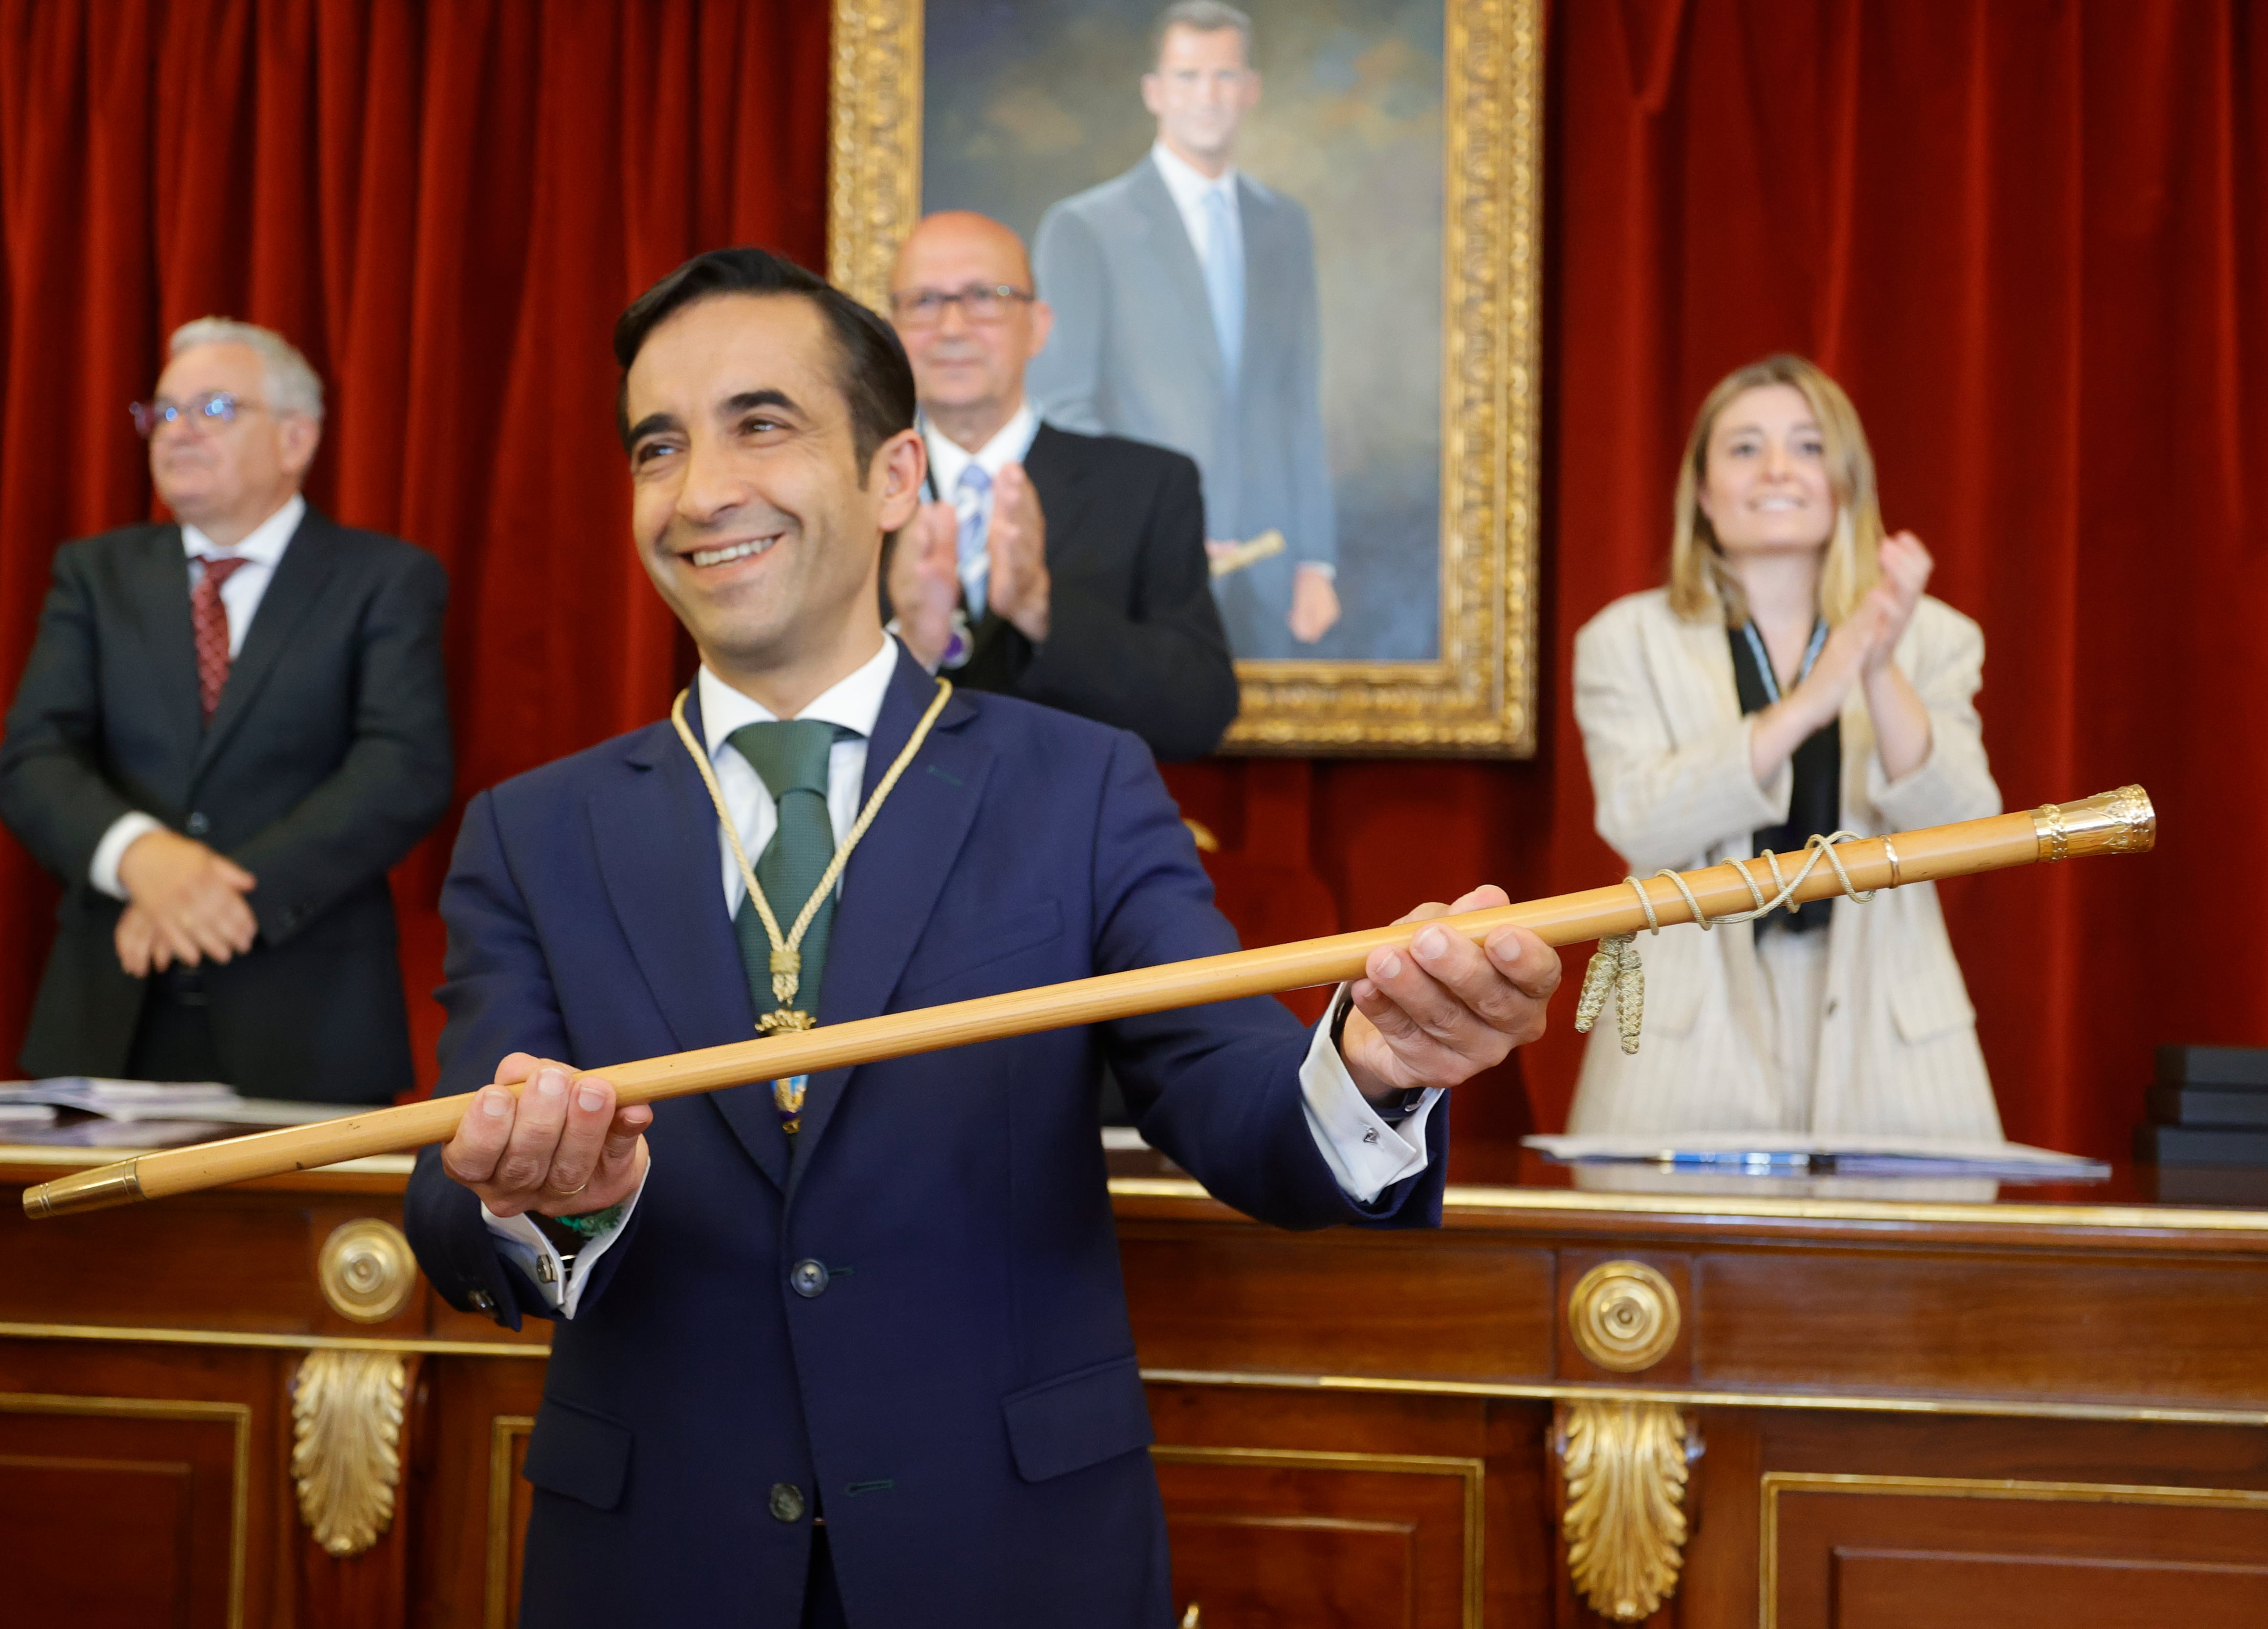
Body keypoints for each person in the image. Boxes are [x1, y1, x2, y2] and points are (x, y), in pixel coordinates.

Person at [400, 248, 1560, 1627]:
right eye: (661, 445)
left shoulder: (1076, 785)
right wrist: (544, 1192)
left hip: (1011, 1557)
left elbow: (1230, 1094)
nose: (703, 490)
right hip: (657, 1563)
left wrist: (1375, 1061)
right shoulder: (533, 830)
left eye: (760, 424)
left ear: (896, 477)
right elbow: (451, 1201)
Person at [0, 319, 451, 1102]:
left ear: (296, 438)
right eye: (164, 413)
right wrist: (143, 859)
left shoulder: (384, 578)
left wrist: (210, 894)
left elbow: (401, 768)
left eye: (213, 409)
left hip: (309, 1015)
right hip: (111, 1011)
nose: (178, 434)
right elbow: (33, 758)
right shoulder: (96, 575)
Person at [1569, 354, 2002, 1139]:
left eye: (1807, 446)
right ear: (1703, 492)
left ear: (1845, 481)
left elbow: (1969, 832)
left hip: (1889, 1023)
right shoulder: (1624, 641)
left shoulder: (1936, 635)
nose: (1777, 469)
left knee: (1898, 1266)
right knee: (1675, 1264)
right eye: (1743, 448)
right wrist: (1809, 703)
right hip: (1687, 1030)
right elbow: (1639, 824)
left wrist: (1875, 670)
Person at [1029, 0, 1341, 659]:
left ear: (1251, 90)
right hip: (1137, 567)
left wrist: (1317, 560)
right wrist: (1148, 522)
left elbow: (1296, 401)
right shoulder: (1086, 227)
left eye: (1225, 76)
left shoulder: (1285, 225)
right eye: (1188, 76)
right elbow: (1063, 407)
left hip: (1271, 566)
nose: (1208, 95)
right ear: (1154, 92)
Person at [886, 210, 1238, 760]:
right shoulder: (848, 492)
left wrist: (1039, 606)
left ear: (1038, 326)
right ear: (893, 329)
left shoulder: (1147, 486)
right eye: (924, 302)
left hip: (1072, 834)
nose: (951, 328)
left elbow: (1197, 713)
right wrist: (909, 643)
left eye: (984, 296)